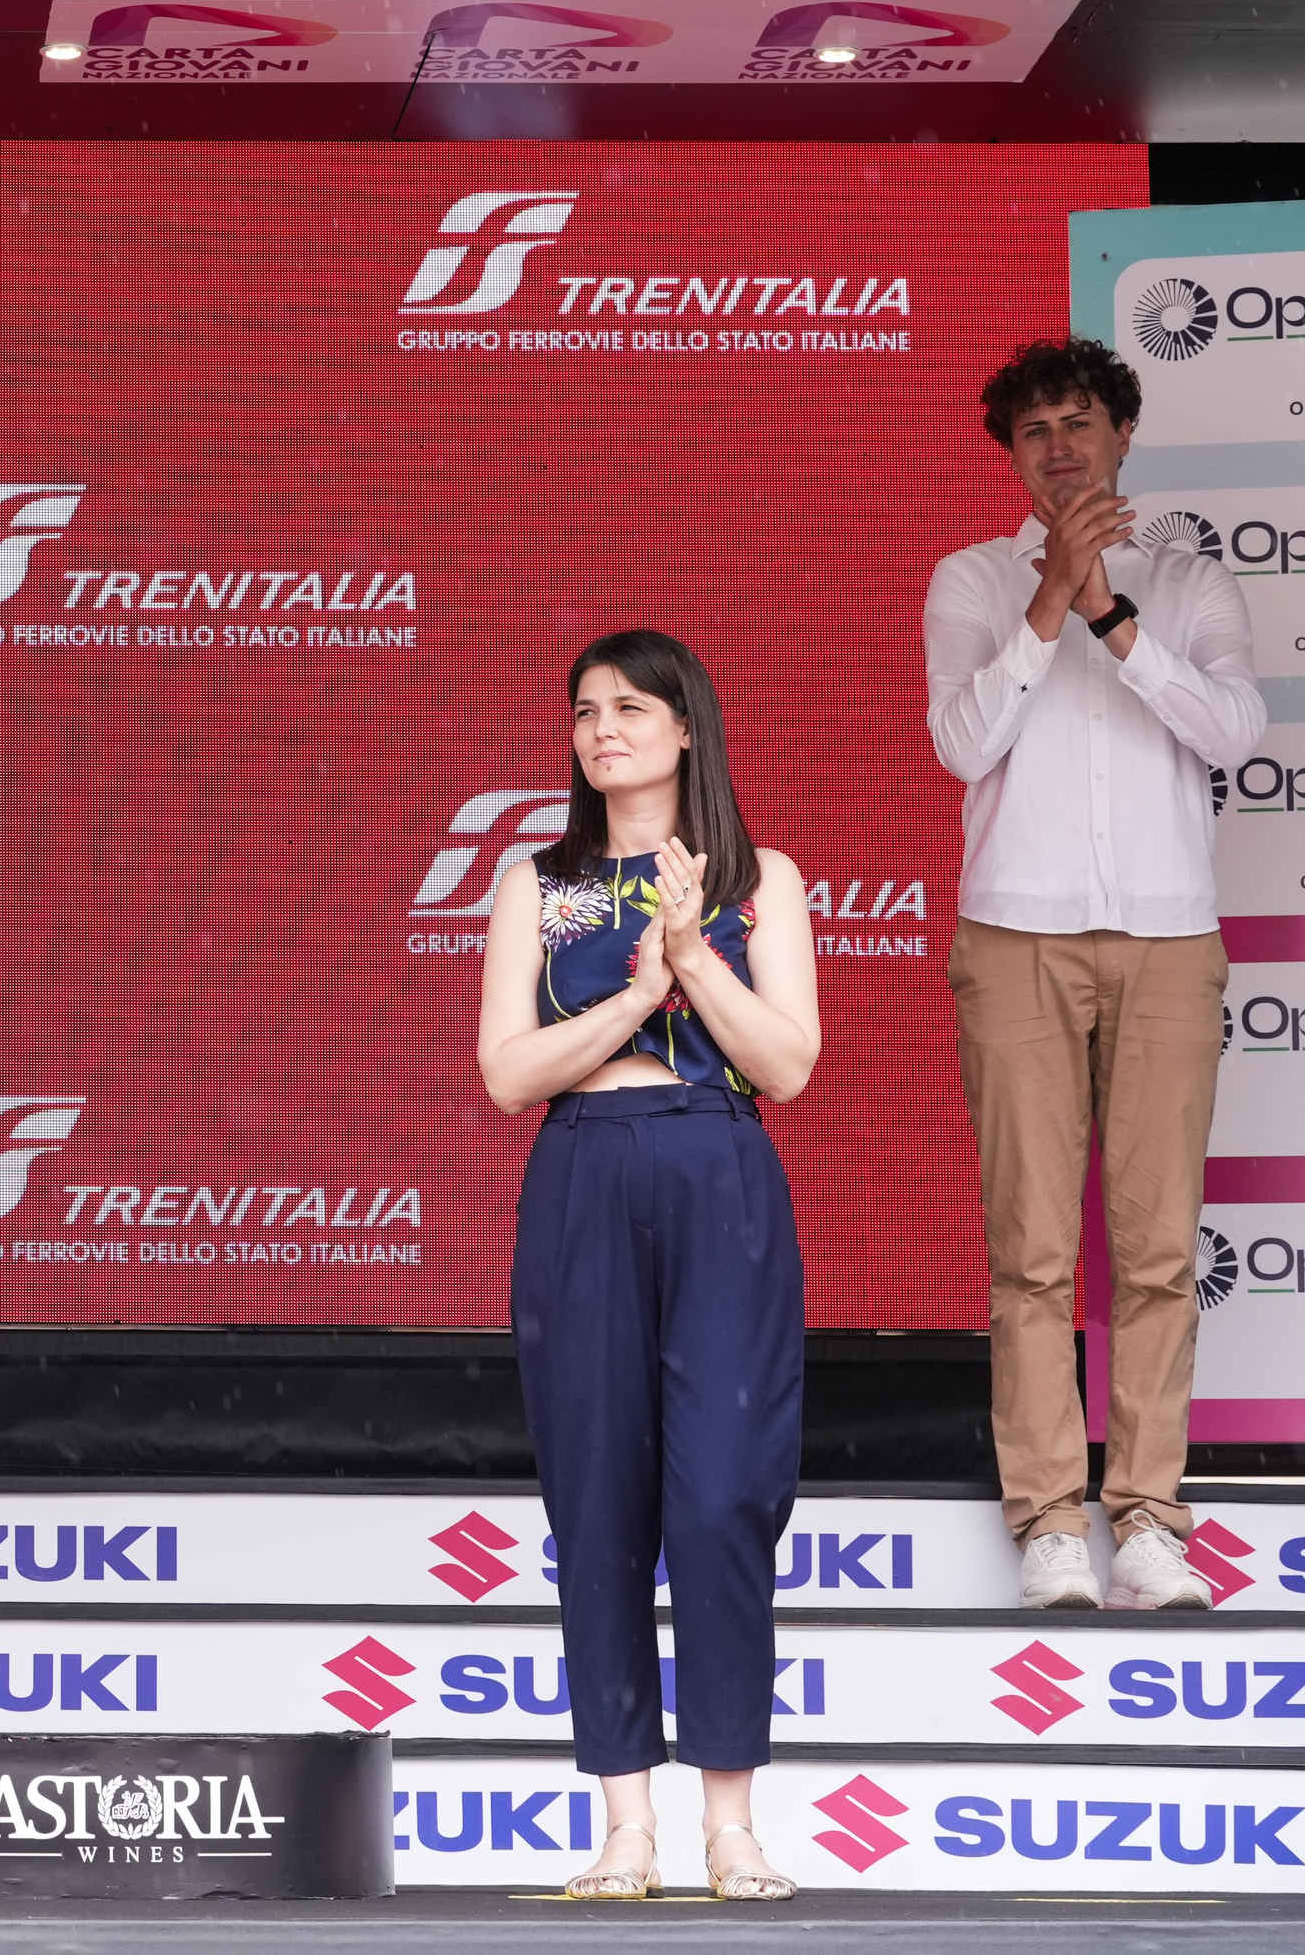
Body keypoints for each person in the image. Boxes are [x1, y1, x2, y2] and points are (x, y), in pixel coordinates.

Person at [476, 629, 821, 1903]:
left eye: (628, 707)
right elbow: (505, 1073)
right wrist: (627, 1002)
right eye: (583, 711)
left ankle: (730, 1823)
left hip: (717, 1167)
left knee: (722, 1494)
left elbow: (784, 1063)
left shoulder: (757, 876)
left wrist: (687, 958)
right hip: (582, 1170)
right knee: (595, 1499)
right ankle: (624, 1824)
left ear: (685, 727)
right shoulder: (537, 881)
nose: (601, 730)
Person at [926, 337, 1260, 1611]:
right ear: (1009, 456)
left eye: (1077, 422)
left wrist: (1111, 614)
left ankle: (1149, 1518)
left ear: (1122, 434)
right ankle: (1048, 1519)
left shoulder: (1188, 581)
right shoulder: (970, 578)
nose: (1057, 446)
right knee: (1029, 1252)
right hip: (1014, 935)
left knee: (1158, 1248)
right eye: (1033, 431)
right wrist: (1045, 605)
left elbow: (1231, 729)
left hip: (1166, 937)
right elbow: (960, 745)